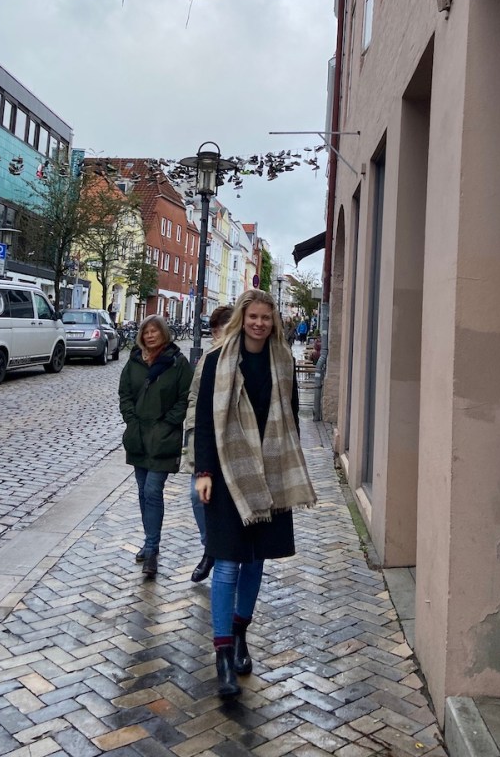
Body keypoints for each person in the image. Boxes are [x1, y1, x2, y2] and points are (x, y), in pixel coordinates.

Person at [194, 289, 317, 698]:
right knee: (228, 564)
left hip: (270, 471)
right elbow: (205, 419)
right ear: (242, 319)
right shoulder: (217, 360)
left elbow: (291, 417)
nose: (259, 324)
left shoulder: (283, 360)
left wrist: (289, 464)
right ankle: (223, 654)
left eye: (266, 317)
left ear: (273, 320)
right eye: (253, 317)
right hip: (228, 471)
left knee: (256, 560)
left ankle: (240, 632)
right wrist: (203, 471)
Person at [118, 314, 193, 579]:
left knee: (152, 489)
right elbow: (125, 393)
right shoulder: (134, 361)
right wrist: (131, 419)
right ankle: (150, 540)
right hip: (138, 436)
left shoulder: (177, 362)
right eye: (146, 332)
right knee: (142, 491)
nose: (150, 336)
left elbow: (185, 397)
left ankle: (151, 548)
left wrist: (168, 422)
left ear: (164, 333)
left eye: (154, 331)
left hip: (163, 437)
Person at [181, 304, 234, 583]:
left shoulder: (239, 355)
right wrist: (192, 427)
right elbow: (194, 395)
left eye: (221, 330)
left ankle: (223, 551)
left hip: (231, 440)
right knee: (197, 495)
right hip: (203, 437)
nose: (218, 336)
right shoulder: (207, 358)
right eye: (215, 331)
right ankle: (210, 547)